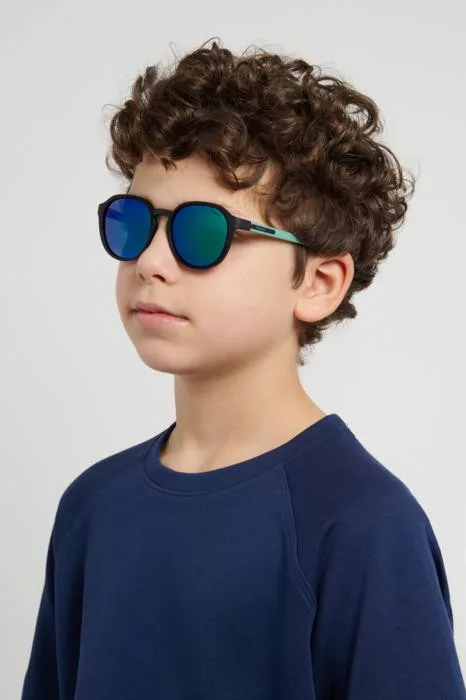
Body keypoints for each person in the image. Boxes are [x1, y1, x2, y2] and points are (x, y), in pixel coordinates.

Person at [21, 37, 466, 700]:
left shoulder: (364, 526)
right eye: (134, 223)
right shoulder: (92, 507)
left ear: (318, 282)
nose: (151, 262)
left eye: (203, 233)